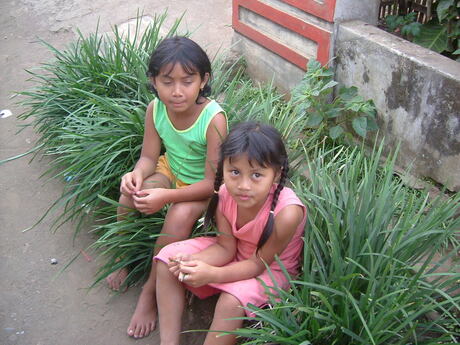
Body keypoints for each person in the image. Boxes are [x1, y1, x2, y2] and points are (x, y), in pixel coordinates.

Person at [106, 36, 227, 336]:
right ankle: (123, 259)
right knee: (127, 196)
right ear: (153, 81)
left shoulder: (214, 119)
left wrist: (167, 197)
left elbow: (213, 184)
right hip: (170, 170)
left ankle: (149, 290)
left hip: (198, 186)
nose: (176, 91)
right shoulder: (155, 109)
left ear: (204, 80)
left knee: (179, 215)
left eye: (187, 81)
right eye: (167, 81)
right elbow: (149, 156)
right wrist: (136, 174)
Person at [150, 122, 307, 344]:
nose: (243, 185)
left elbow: (257, 265)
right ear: (222, 167)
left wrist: (211, 273)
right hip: (235, 253)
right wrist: (192, 261)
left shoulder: (287, 213)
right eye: (234, 172)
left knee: (230, 302)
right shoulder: (225, 193)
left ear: (275, 174)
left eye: (256, 175)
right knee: (169, 260)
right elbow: (226, 247)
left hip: (270, 269)